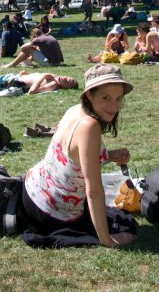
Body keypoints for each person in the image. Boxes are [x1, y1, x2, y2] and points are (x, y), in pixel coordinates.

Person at [22, 64, 137, 247]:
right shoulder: (89, 126)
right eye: (106, 98)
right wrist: (106, 240)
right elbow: (94, 191)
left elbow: (74, 156)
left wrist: (109, 155)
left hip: (31, 192)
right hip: (51, 213)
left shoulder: (75, 110)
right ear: (89, 94)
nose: (114, 106)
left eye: (118, 98)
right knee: (126, 224)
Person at [0, 70, 78, 95]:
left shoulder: (53, 84)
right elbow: (34, 79)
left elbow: (32, 91)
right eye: (68, 77)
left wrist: (44, 75)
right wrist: (26, 75)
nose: (65, 79)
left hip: (12, 83)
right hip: (14, 78)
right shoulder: (53, 77)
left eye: (68, 82)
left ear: (65, 87)